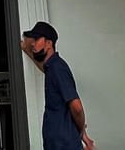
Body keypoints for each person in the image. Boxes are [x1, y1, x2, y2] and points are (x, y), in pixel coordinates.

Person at [22, 21, 94, 150]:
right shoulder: (51, 67)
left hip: (64, 145)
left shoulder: (57, 68)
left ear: (49, 43)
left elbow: (77, 108)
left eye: (37, 39)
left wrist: (81, 131)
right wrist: (27, 50)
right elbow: (43, 67)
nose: (33, 43)